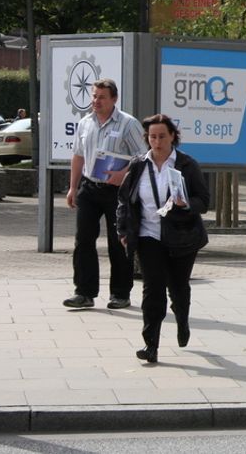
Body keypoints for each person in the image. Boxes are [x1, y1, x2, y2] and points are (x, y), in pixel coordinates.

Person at [117, 114, 210, 364]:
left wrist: (186, 203)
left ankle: (182, 318)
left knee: (178, 288)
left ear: (172, 137)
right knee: (152, 290)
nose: (156, 142)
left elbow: (204, 201)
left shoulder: (187, 165)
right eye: (152, 137)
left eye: (161, 136)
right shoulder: (138, 165)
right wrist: (123, 231)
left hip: (182, 236)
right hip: (148, 236)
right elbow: (124, 200)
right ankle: (151, 345)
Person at [63, 79, 148, 310]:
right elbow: (78, 156)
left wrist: (123, 174)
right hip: (89, 188)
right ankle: (84, 292)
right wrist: (73, 187)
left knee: (118, 242)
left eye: (101, 97)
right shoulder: (85, 123)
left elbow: (143, 157)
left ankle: (120, 294)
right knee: (83, 241)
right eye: (94, 96)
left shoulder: (128, 124)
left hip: (117, 191)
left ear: (114, 99)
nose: (96, 101)